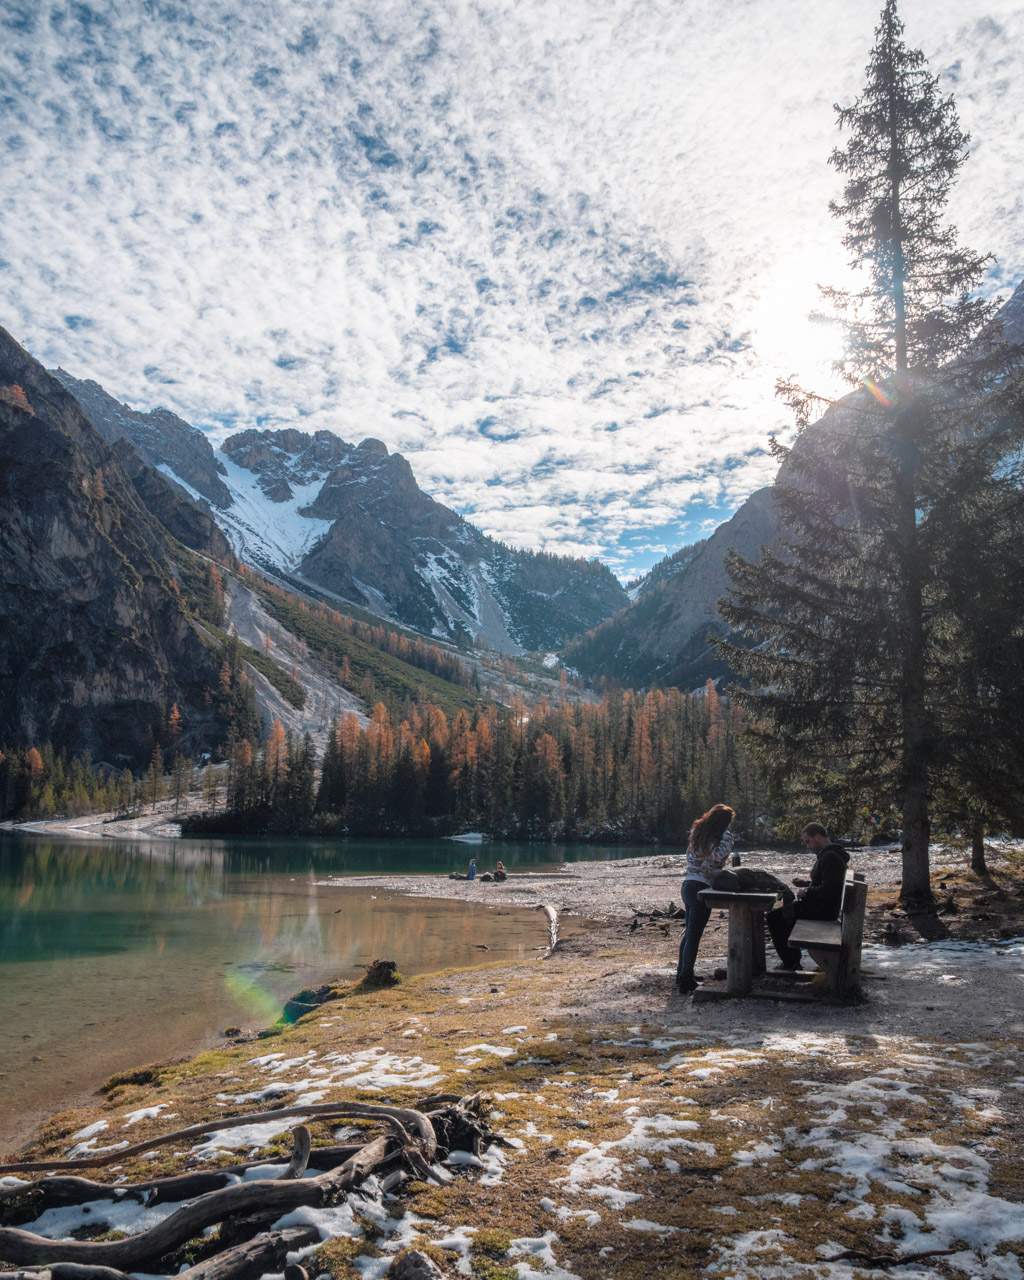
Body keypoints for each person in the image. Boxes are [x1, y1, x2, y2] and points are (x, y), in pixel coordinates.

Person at [767, 822, 850, 970]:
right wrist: (806, 884)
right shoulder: (830, 854)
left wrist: (807, 891)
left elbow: (830, 890)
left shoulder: (830, 856)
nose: (807, 845)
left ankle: (791, 962)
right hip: (822, 907)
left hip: (823, 911)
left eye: (808, 841)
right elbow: (828, 882)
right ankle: (792, 960)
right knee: (779, 915)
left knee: (774, 918)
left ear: (817, 837)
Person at [676, 803, 736, 994]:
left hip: (687, 884)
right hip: (702, 887)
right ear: (724, 822)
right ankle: (686, 979)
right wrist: (728, 841)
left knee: (689, 932)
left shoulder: (697, 831)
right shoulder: (723, 836)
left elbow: (690, 857)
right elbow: (717, 858)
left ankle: (682, 973)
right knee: (694, 934)